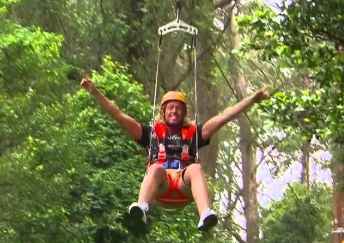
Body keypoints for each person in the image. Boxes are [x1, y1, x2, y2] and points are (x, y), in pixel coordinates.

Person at [80, 75, 270, 232]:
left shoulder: (195, 133)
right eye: (170, 107)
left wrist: (252, 99)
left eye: (178, 108)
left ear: (184, 112)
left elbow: (224, 117)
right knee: (155, 167)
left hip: (182, 186)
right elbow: (118, 115)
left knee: (195, 167)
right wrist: (95, 92)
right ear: (163, 111)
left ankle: (205, 213)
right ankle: (142, 207)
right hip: (161, 188)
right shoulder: (150, 133)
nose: (174, 111)